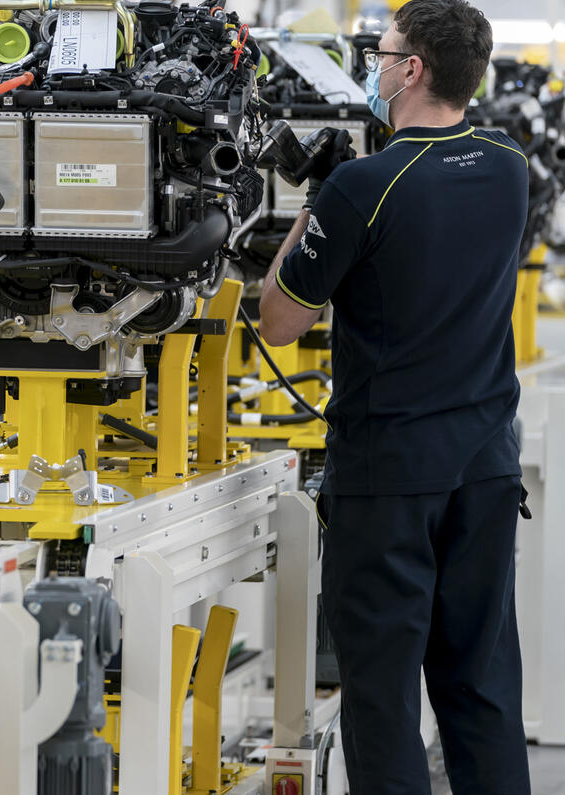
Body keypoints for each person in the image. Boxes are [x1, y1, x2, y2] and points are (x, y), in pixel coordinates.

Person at [258, 1, 532, 792]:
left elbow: (280, 320)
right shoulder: (507, 162)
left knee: (381, 701)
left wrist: (315, 206)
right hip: (484, 468)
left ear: (412, 69)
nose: (374, 67)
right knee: (480, 689)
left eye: (381, 54)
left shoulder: (361, 188)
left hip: (390, 480)